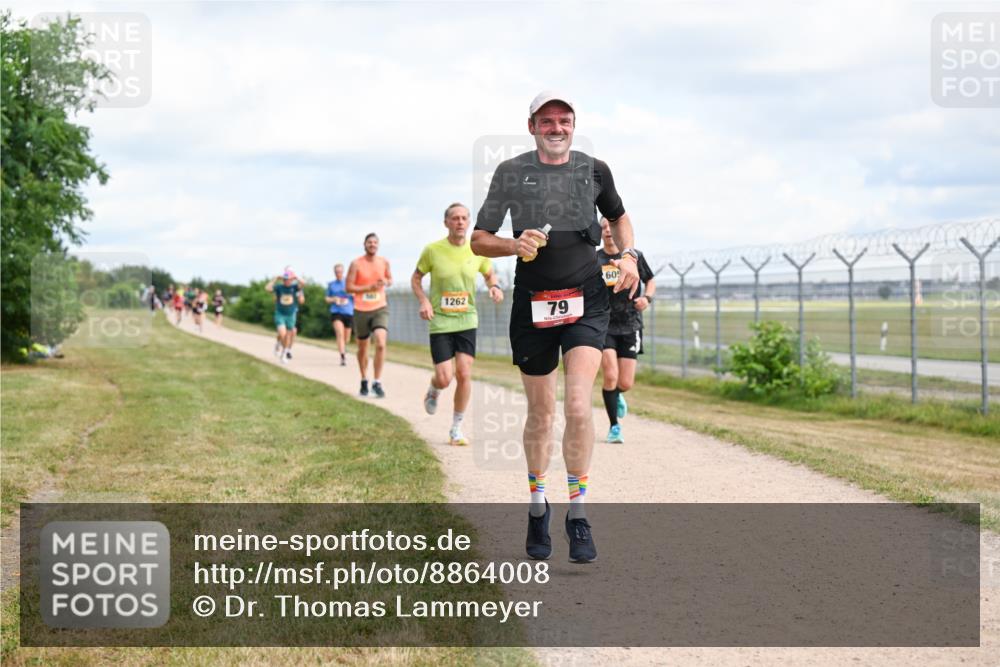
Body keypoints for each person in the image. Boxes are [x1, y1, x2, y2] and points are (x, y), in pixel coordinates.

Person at [471, 91, 639, 564]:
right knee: (542, 413)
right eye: (547, 120)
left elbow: (619, 217)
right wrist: (513, 243)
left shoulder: (595, 169)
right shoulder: (510, 173)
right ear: (532, 127)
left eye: (564, 120)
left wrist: (626, 254)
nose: (557, 127)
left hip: (587, 301)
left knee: (579, 406)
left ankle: (579, 513)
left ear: (573, 124)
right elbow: (479, 241)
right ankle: (537, 504)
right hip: (533, 304)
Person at [412, 202, 503, 446]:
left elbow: (488, 273)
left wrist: (493, 286)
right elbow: (416, 278)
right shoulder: (432, 250)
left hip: (466, 319)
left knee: (464, 373)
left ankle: (456, 428)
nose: (460, 222)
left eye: (464, 218)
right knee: (445, 377)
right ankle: (434, 388)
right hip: (440, 321)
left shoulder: (477, 250)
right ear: (446, 223)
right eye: (455, 218)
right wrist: (424, 301)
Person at [597, 218, 655, 444]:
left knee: (625, 382)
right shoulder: (596, 259)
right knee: (610, 375)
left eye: (611, 227)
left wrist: (647, 298)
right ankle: (614, 427)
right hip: (605, 325)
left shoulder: (633, 256)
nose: (608, 231)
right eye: (603, 228)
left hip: (631, 324)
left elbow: (651, 281)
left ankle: (618, 395)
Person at [346, 233, 392, 397]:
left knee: (380, 342)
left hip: (380, 307)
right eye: (369, 242)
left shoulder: (384, 262)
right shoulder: (356, 264)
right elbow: (349, 288)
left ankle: (377, 382)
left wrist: (386, 282)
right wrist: (368, 288)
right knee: (362, 348)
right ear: (364, 245)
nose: (372, 244)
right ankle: (364, 379)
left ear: (378, 245)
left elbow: (389, 279)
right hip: (361, 309)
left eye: (375, 242)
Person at [265, 268, 305, 365]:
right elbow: (267, 288)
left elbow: (304, 284)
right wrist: (275, 278)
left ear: (292, 280)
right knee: (283, 334)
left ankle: (284, 353)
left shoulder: (295, 287)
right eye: (285, 279)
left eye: (289, 279)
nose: (286, 281)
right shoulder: (279, 287)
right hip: (280, 314)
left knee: (289, 334)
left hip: (291, 315)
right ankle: (283, 349)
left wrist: (296, 277)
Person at [325, 264, 354, 366]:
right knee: (339, 333)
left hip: (349, 312)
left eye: (340, 271)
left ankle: (343, 349)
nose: (338, 273)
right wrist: (334, 299)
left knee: (346, 338)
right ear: (334, 273)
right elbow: (327, 298)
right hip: (336, 312)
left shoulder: (349, 283)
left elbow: (356, 295)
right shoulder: (331, 285)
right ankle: (342, 357)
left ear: (343, 272)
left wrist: (351, 293)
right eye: (336, 272)